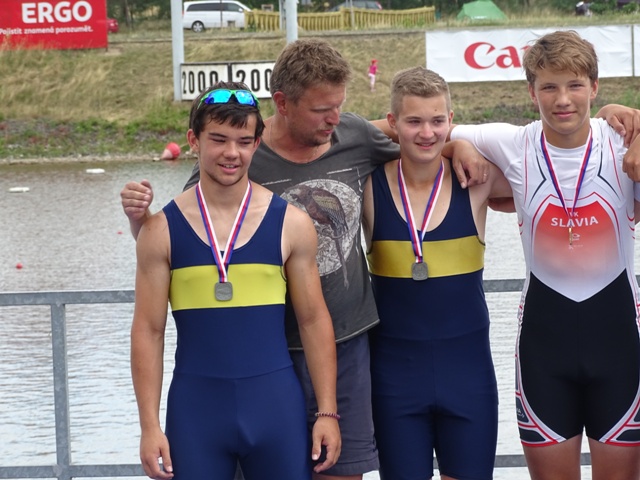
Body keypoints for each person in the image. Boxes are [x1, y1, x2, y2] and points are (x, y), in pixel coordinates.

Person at [122, 38, 640, 479]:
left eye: (338, 108)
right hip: (276, 354)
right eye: (321, 110)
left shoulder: (365, 141)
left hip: (358, 345)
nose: (333, 120)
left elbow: (427, 138)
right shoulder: (242, 159)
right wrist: (139, 222)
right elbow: (187, 233)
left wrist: (460, 145)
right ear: (281, 104)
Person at [450, 30, 640, 480]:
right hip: (543, 349)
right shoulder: (513, 143)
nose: (563, 99)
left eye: (575, 85)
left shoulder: (623, 143)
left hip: (619, 347)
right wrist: (455, 144)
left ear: (595, 87)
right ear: (531, 91)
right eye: (549, 87)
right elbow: (411, 129)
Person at [130, 81, 341, 480]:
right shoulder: (160, 231)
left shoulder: (292, 224)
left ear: (257, 143)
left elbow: (313, 320)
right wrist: (149, 426)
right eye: (218, 140)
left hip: (276, 409)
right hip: (196, 414)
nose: (232, 153)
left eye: (244, 141)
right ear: (194, 140)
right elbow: (148, 330)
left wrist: (327, 412)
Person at [362, 66, 512, 480]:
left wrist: (461, 142)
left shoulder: (477, 181)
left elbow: (552, 156)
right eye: (413, 121)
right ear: (392, 123)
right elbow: (340, 135)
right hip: (394, 380)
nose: (427, 133)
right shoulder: (368, 188)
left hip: (468, 376)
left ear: (451, 120)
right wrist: (456, 142)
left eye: (437, 121)